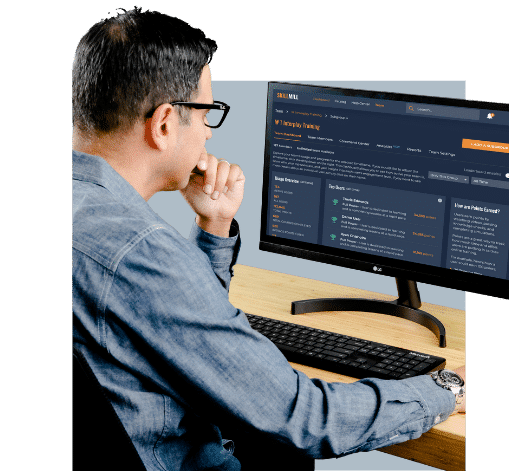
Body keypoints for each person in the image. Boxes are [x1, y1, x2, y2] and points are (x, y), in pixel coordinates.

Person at [72, 7, 465, 471]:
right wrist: (445, 388)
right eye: (206, 114)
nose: (206, 132)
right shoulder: (139, 251)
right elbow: (303, 418)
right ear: (162, 124)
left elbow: (181, 334)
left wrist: (214, 227)